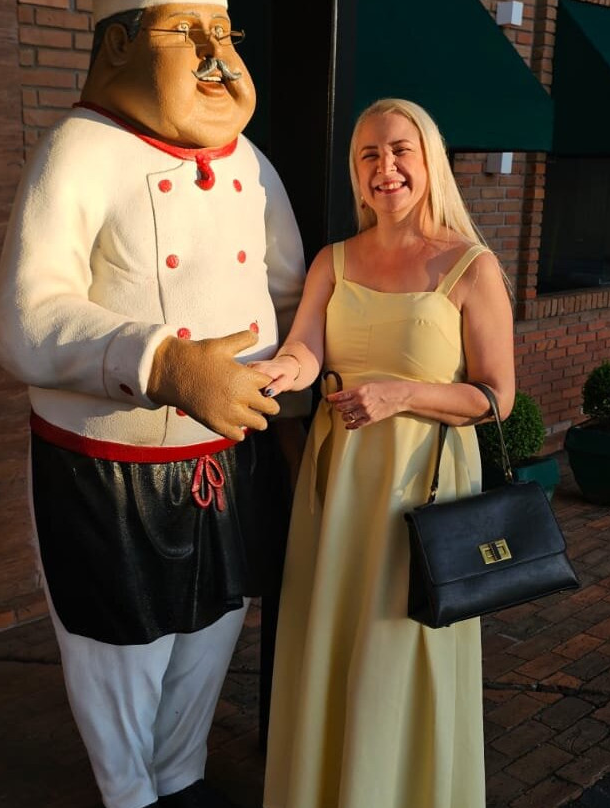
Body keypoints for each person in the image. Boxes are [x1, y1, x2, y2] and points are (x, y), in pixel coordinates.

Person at [0, 2, 308, 807]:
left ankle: (181, 776)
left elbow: (290, 291)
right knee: (119, 648)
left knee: (212, 630)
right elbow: (23, 316)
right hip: (109, 469)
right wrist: (161, 362)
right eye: (184, 31)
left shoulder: (251, 163)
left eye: (222, 33)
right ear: (119, 45)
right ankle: (130, 794)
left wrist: (301, 376)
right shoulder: (79, 149)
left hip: (229, 455)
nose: (213, 54)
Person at [253, 98, 516, 808]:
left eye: (401, 150)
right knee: (333, 636)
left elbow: (496, 397)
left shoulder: (470, 266)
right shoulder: (333, 261)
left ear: (429, 162)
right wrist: (274, 372)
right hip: (339, 483)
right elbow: (305, 351)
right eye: (369, 154)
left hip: (424, 486)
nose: (385, 167)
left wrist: (402, 395)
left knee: (399, 641)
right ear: (356, 171)